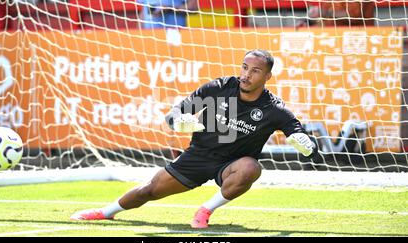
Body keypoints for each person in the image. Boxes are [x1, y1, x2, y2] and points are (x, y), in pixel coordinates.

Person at [70, 49, 318, 228]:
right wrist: (177, 121)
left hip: (231, 165)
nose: (246, 75)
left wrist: (305, 145)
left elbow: (305, 142)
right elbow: (174, 113)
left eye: (255, 71)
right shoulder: (219, 88)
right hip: (198, 156)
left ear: (267, 77)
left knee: (251, 168)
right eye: (244, 67)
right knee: (148, 191)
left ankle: (204, 211)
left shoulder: (274, 109)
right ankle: (105, 212)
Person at [297, 0, 375, 28]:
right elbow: (325, 17)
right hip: (333, 39)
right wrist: (308, 22)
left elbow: (354, 17)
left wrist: (325, 13)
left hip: (358, 39)